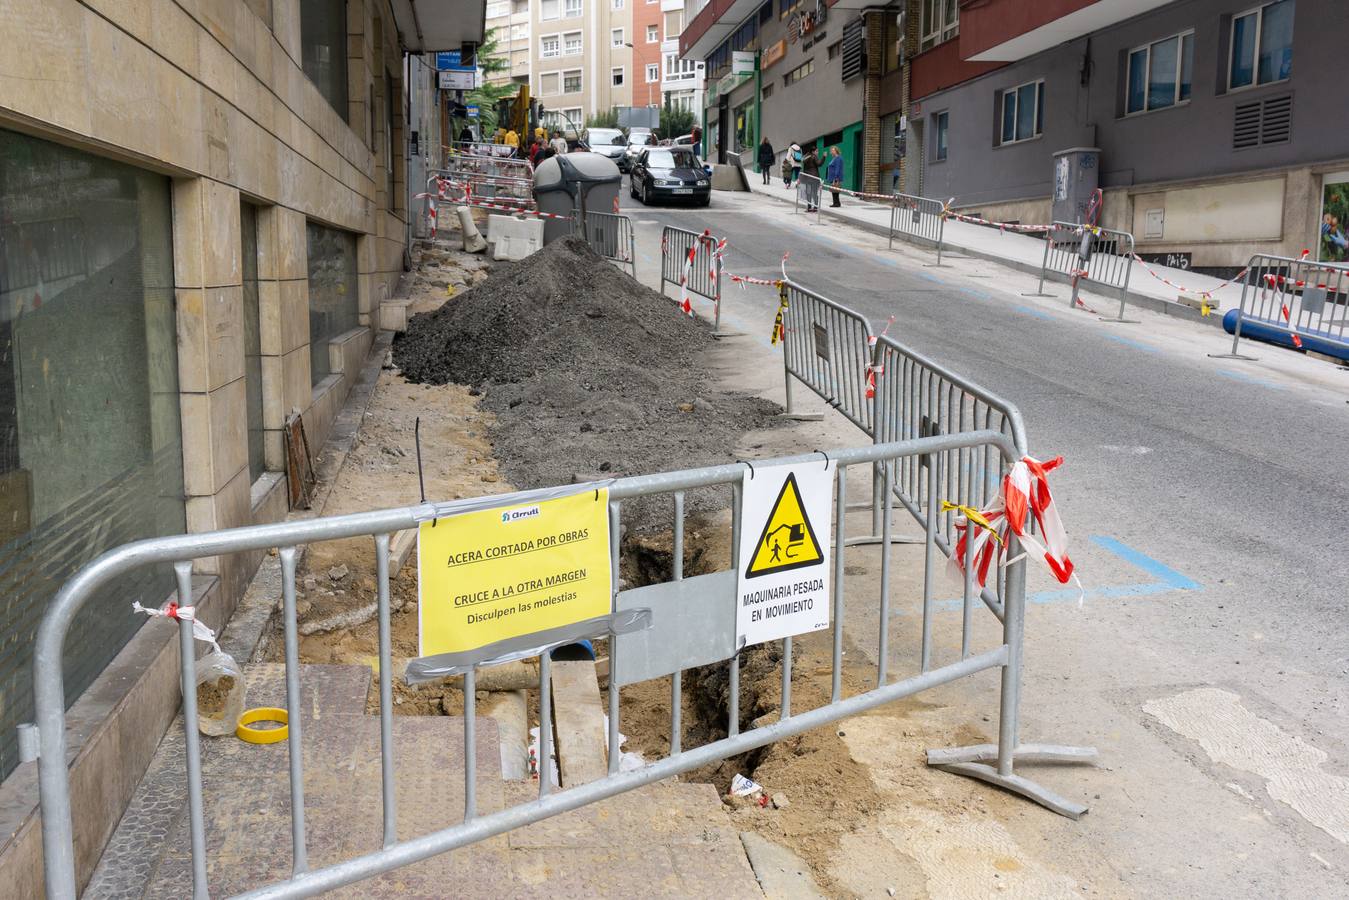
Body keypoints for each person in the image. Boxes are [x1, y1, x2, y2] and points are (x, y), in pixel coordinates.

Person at [800, 145, 820, 212]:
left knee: (808, 192)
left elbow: (803, 165)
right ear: (813, 151)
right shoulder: (814, 157)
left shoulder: (806, 157)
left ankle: (809, 207)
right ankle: (815, 207)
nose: (818, 152)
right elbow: (819, 164)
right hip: (814, 178)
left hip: (807, 178)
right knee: (814, 193)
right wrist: (824, 157)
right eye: (817, 151)